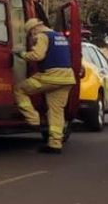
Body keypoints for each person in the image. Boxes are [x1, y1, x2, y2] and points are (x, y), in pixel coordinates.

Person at [14, 18, 76, 154]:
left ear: (34, 29)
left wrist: (21, 54)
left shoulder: (42, 36)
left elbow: (37, 56)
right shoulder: (60, 36)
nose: (32, 38)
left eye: (31, 34)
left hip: (50, 76)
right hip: (67, 78)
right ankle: (55, 144)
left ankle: (33, 119)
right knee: (56, 111)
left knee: (20, 89)